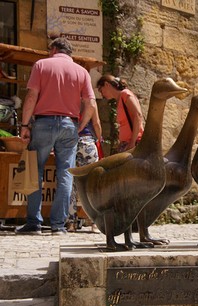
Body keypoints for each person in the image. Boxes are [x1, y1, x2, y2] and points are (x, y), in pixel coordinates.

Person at [16, 37, 97, 235]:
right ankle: (58, 225)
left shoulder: (41, 65)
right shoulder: (82, 71)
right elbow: (91, 104)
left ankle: (34, 223)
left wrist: (25, 125)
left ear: (53, 49)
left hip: (43, 123)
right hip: (70, 124)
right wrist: (80, 126)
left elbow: (31, 97)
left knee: (36, 171)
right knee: (65, 173)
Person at [67, 107, 102, 233]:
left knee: (71, 183)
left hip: (70, 142)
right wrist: (99, 139)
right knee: (92, 183)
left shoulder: (70, 99)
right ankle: (94, 223)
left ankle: (71, 223)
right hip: (87, 143)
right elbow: (96, 123)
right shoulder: (90, 102)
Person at [96, 74, 144, 152]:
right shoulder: (119, 99)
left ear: (106, 84)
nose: (102, 94)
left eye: (101, 90)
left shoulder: (125, 94)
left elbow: (137, 115)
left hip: (133, 143)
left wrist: (132, 142)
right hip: (126, 143)